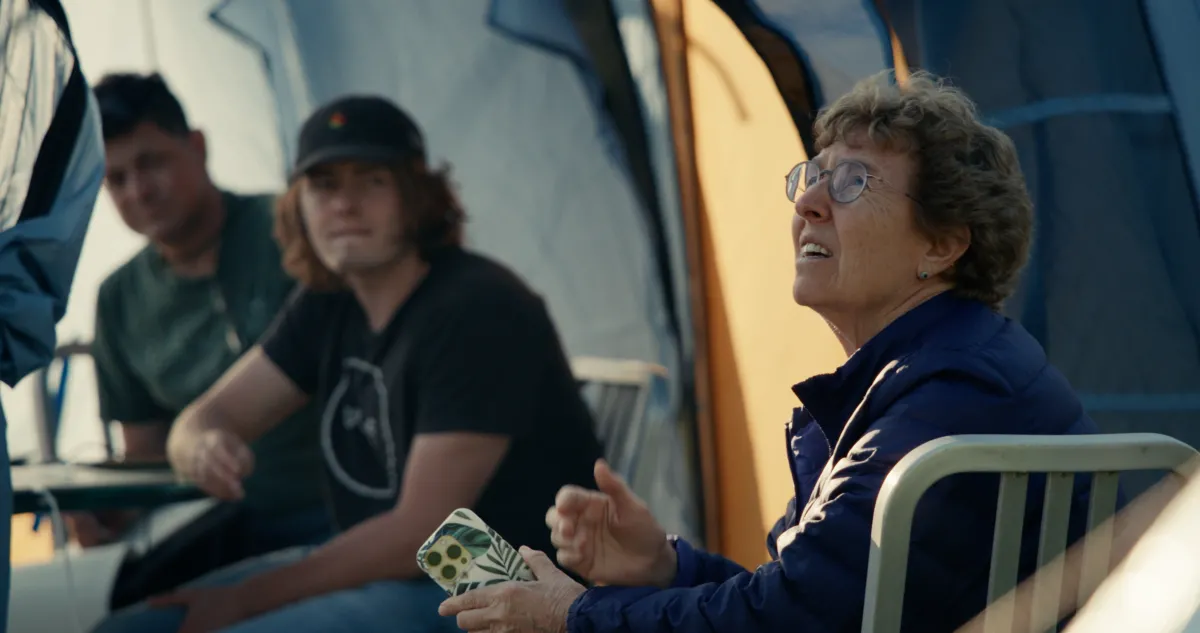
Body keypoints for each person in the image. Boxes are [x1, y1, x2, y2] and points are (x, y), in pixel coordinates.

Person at [439, 70, 1102, 633]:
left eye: (852, 183)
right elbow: (809, 600)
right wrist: (668, 567)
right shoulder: (923, 374)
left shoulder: (954, 390)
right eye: (813, 176)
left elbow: (788, 617)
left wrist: (577, 612)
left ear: (941, 244)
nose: (809, 202)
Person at [91, 94, 604, 633]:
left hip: (498, 580)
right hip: (394, 568)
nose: (344, 204)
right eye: (324, 185)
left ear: (417, 196)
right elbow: (202, 418)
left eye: (371, 180)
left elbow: (423, 533)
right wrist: (201, 446)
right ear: (298, 206)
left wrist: (248, 599)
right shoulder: (330, 300)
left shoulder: (479, 306)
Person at [73, 72, 331, 559]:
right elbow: (150, 454)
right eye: (116, 179)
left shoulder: (304, 235)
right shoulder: (118, 299)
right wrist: (110, 511)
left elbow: (425, 529)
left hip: (347, 523)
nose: (138, 191)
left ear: (198, 146)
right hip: (228, 531)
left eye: (151, 164)